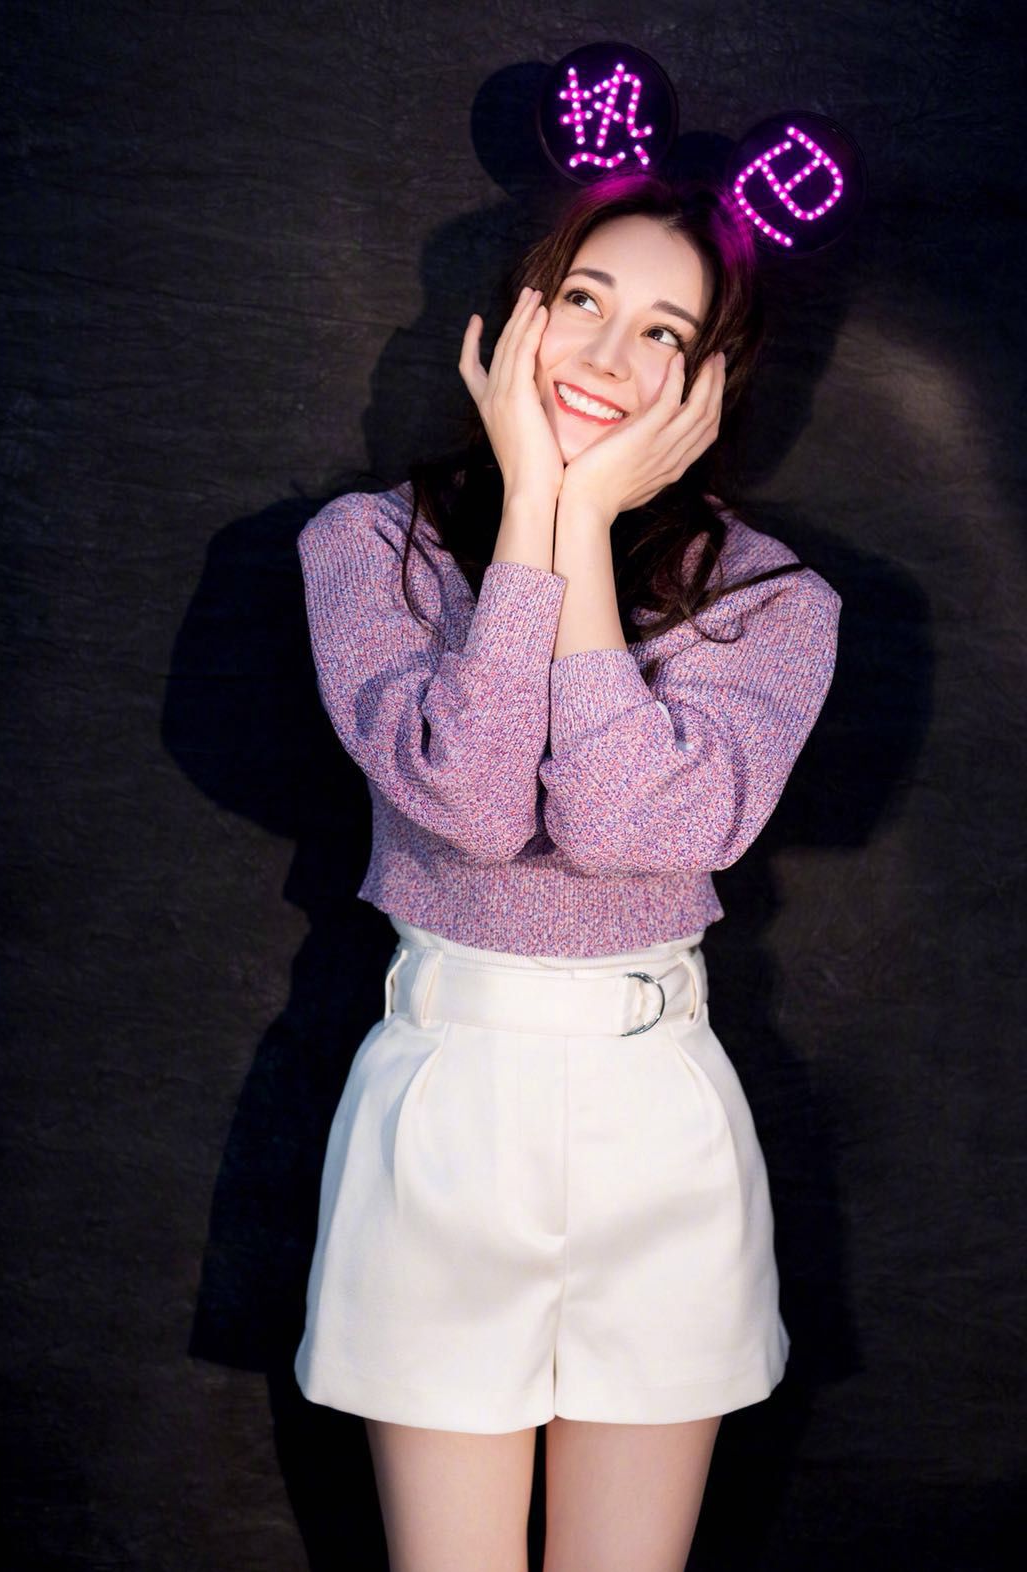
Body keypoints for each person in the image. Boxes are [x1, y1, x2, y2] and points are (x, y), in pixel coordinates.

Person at [292, 170, 842, 1572]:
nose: (605, 353)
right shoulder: (372, 549)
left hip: (656, 1121)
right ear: (521, 311)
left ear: (712, 380)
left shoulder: (773, 603)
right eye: (584, 299)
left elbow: (625, 825)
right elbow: (472, 803)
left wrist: (582, 524)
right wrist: (533, 504)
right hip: (445, 1108)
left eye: (664, 332)